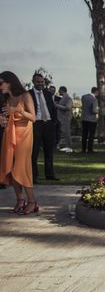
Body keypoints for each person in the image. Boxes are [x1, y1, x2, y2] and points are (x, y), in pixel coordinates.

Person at [0, 71, 38, 214]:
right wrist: (2, 120)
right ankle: (20, 200)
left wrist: (18, 110)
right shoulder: (5, 98)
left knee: (21, 167)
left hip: (24, 136)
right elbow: (4, 116)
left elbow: (33, 118)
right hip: (10, 134)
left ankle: (32, 201)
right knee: (10, 166)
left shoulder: (25, 95)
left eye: (1, 83)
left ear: (10, 82)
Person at [29, 72, 59, 182]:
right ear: (33, 82)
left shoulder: (47, 94)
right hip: (36, 123)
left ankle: (50, 174)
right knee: (34, 151)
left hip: (48, 123)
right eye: (38, 82)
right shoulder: (29, 94)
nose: (40, 84)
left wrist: (54, 122)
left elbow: (52, 108)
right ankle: (33, 176)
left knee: (49, 150)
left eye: (42, 82)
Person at [81, 87, 99, 153]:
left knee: (84, 134)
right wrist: (98, 110)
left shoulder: (84, 97)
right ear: (96, 92)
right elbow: (94, 110)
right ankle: (90, 149)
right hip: (92, 119)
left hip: (84, 118)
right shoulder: (94, 99)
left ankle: (83, 149)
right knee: (91, 135)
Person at [55, 86, 73, 152]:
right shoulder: (62, 99)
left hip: (66, 118)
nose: (58, 92)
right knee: (62, 132)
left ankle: (69, 146)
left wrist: (57, 106)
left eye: (59, 90)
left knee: (66, 132)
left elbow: (68, 107)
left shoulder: (68, 99)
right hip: (61, 118)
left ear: (62, 90)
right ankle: (63, 146)